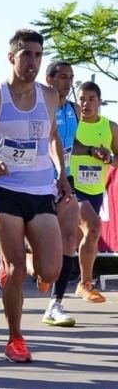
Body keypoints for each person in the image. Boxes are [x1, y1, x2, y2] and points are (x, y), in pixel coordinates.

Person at [0, 29, 69, 363]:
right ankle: (15, 339)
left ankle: (3, 261)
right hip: (5, 189)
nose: (33, 62)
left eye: (38, 55)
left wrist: (62, 174)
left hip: (40, 189)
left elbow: (52, 136)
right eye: (27, 55)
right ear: (12, 57)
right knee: (18, 269)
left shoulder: (50, 96)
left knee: (50, 271)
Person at [70, 81, 117, 304]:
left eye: (91, 99)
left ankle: (35, 263)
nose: (86, 104)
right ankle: (86, 284)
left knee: (81, 240)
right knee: (94, 227)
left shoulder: (110, 127)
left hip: (95, 191)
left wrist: (109, 158)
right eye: (81, 99)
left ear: (99, 102)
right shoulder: (72, 124)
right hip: (72, 188)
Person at [41, 61, 80, 326]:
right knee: (40, 242)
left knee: (69, 238)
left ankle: (55, 303)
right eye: (63, 77)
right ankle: (7, 254)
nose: (68, 82)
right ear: (50, 79)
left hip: (65, 179)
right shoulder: (40, 106)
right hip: (39, 180)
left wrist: (93, 150)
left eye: (71, 77)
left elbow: (73, 143)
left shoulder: (74, 110)